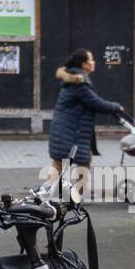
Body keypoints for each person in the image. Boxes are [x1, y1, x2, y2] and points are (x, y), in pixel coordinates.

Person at [47, 48, 124, 198]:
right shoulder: (79, 83)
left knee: (62, 164)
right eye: (91, 60)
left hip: (67, 131)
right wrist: (117, 107)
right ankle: (68, 195)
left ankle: (50, 193)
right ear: (84, 64)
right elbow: (96, 103)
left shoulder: (75, 78)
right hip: (70, 132)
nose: (94, 63)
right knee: (80, 164)